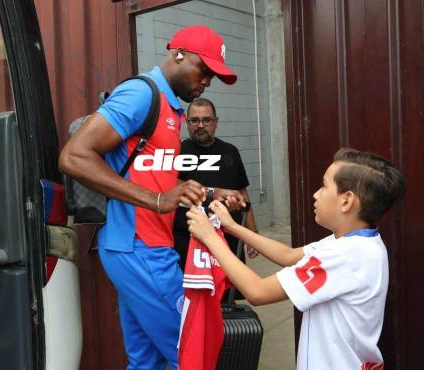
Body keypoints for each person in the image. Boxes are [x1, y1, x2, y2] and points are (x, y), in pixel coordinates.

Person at [59, 25, 245, 370]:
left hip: (136, 248)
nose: (207, 81)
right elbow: (74, 157)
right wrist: (158, 201)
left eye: (213, 76)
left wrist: (209, 192)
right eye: (203, 70)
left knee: (147, 361)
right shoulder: (141, 95)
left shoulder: (171, 109)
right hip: (141, 249)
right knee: (193, 355)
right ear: (177, 54)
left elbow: (156, 175)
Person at [187, 147, 405, 370]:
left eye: (324, 186)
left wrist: (209, 236)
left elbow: (258, 291)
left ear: (347, 201)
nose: (316, 194)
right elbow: (289, 255)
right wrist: (231, 226)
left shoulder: (346, 256)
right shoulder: (354, 242)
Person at [173, 98, 259, 301]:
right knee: (192, 300)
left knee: (227, 300)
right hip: (187, 242)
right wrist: (212, 191)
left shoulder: (230, 151)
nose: (200, 125)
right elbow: (169, 185)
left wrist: (252, 233)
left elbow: (242, 192)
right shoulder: (176, 152)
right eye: (194, 121)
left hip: (227, 240)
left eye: (206, 120)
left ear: (216, 122)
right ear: (187, 123)